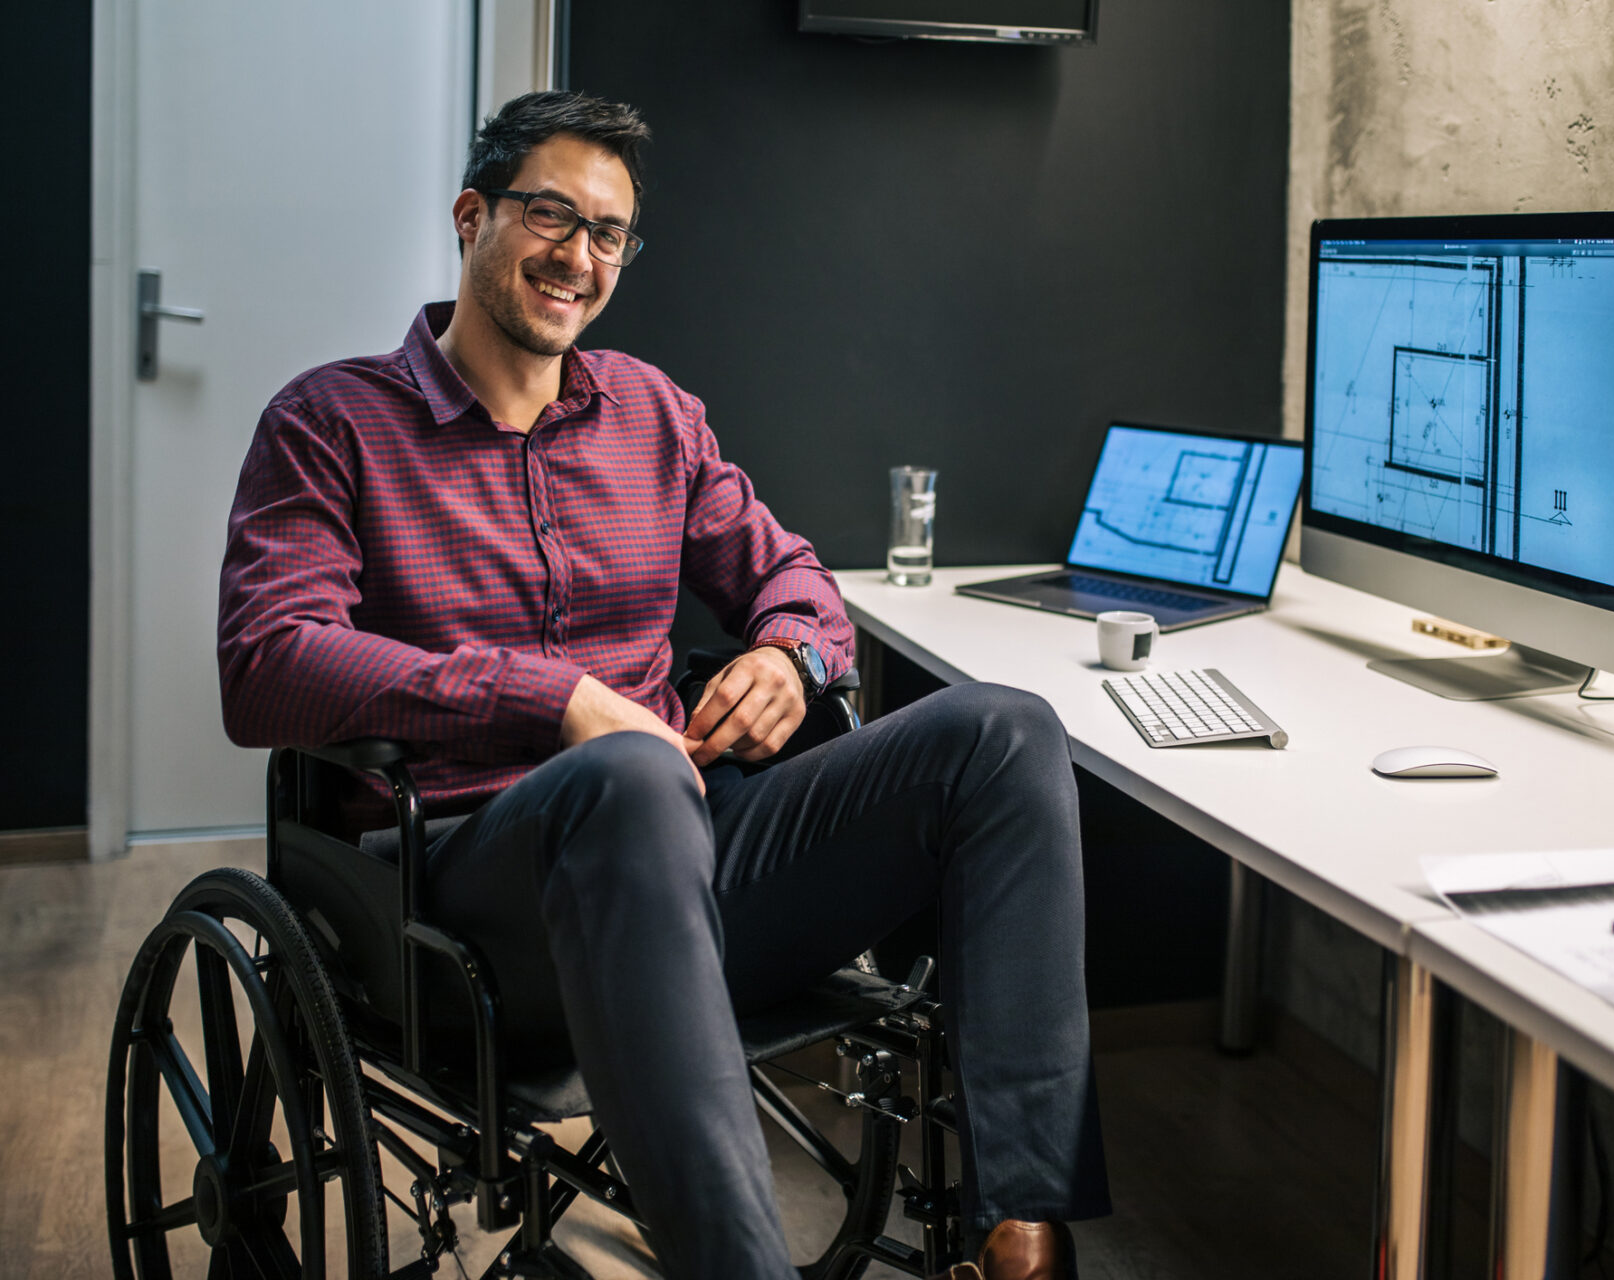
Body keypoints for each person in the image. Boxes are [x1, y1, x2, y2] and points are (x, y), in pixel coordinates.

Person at [216, 90, 1108, 1280]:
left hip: (690, 862)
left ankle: (1025, 1234)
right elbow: (265, 662)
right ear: (472, 216)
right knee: (629, 768)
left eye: (609, 234)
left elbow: (796, 579)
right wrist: (546, 699)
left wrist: (792, 654)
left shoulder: (651, 414)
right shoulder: (330, 423)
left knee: (1006, 731)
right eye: (550, 214)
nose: (578, 258)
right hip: (460, 906)